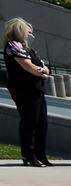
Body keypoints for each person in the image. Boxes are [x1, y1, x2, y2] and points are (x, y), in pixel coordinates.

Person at [3, 17, 52, 167]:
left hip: (37, 89)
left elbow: (45, 68)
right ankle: (29, 155)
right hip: (24, 90)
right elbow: (29, 67)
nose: (31, 35)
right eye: (29, 32)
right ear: (20, 31)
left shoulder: (29, 49)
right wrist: (41, 71)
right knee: (29, 122)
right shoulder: (13, 46)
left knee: (42, 123)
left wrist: (42, 71)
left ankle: (40, 154)